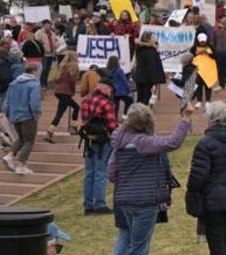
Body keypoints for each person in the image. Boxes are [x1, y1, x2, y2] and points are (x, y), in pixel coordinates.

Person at [109, 103, 191, 255]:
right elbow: (172, 142)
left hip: (124, 201)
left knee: (130, 238)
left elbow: (111, 173)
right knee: (139, 247)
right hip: (144, 201)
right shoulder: (144, 142)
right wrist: (185, 119)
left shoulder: (119, 144)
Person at [188, 101, 226, 255]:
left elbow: (198, 177)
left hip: (212, 201)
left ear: (211, 119)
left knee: (216, 242)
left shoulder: (205, 144)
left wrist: (192, 191)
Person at [80, 77, 119, 215]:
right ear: (105, 89)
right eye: (110, 90)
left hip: (88, 140)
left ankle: (88, 205)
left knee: (89, 173)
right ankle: (100, 205)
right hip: (103, 141)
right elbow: (112, 126)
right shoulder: (106, 103)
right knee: (100, 172)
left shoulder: (85, 100)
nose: (110, 93)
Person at [2, 62, 42, 175]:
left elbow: (7, 100)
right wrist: (36, 114)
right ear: (34, 71)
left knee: (21, 138)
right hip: (27, 115)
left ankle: (10, 156)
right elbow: (34, 102)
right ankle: (20, 163)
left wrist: (7, 113)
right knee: (29, 140)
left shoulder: (13, 83)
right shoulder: (34, 84)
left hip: (15, 115)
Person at [48, 51, 80, 143]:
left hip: (59, 91)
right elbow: (72, 81)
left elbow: (57, 79)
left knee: (74, 107)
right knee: (61, 112)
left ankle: (73, 126)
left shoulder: (62, 66)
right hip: (66, 92)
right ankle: (51, 130)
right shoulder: (74, 66)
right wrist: (73, 90)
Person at [133, 32, 166, 106]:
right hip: (147, 79)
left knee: (140, 98)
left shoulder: (139, 49)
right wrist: (154, 82)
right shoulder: (150, 51)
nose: (155, 39)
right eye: (153, 38)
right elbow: (152, 67)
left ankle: (137, 113)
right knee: (145, 99)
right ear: (148, 40)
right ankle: (142, 115)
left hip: (140, 77)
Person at [211, 15, 226, 91]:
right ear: (220, 20)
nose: (225, 20)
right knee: (220, 69)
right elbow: (212, 41)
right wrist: (213, 51)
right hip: (218, 52)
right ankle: (221, 84)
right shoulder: (215, 29)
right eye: (223, 19)